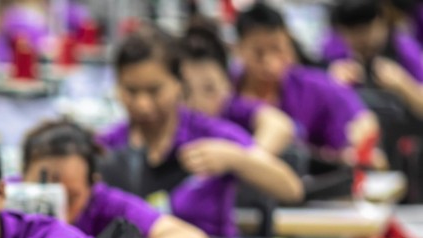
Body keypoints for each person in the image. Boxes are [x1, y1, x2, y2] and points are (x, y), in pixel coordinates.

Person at [98, 28, 304, 238]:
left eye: (154, 90)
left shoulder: (210, 134)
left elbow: (291, 189)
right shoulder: (108, 148)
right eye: (131, 91)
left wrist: (235, 159)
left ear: (179, 84)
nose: (143, 104)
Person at [21, 118, 212, 238]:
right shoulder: (4, 203)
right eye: (43, 196)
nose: (58, 209)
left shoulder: (106, 204)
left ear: (92, 185)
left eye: (71, 198)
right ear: (21, 177)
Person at [234, 2, 381, 165]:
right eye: (258, 53)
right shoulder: (226, 95)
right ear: (239, 50)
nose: (270, 62)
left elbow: (362, 118)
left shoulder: (312, 84)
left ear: (289, 43)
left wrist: (360, 139)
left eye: (277, 49)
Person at [179, 19, 296, 155]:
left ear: (227, 85)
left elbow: (279, 124)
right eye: (185, 92)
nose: (196, 102)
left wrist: (247, 162)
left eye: (209, 89)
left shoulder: (233, 108)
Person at [325, 0, 423, 118]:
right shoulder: (336, 52)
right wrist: (334, 86)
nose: (361, 39)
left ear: (382, 23)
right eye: (352, 33)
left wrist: (402, 84)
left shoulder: (404, 49)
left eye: (365, 30)